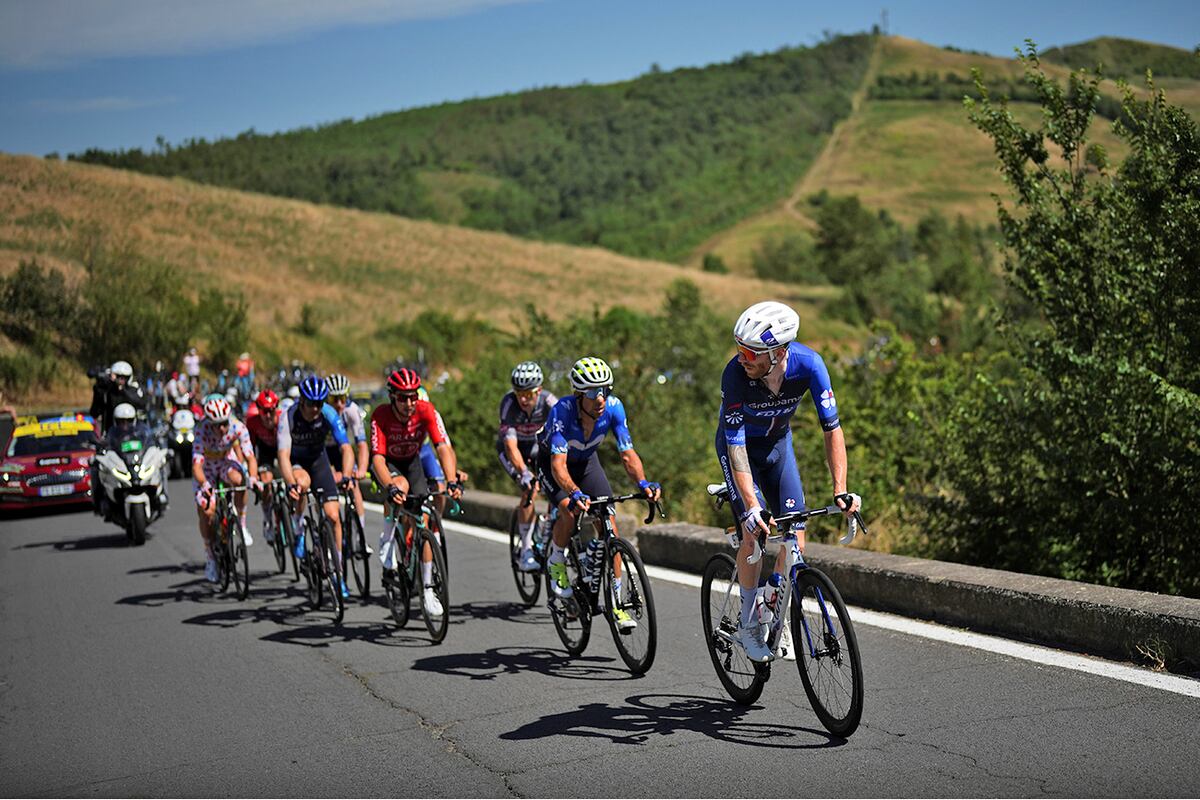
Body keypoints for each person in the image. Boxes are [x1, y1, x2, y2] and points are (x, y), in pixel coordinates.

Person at [716, 300, 861, 663]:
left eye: (750, 352)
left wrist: (840, 488)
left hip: (779, 448)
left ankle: (774, 598)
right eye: (739, 349)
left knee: (796, 534)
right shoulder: (735, 375)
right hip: (741, 453)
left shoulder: (810, 365)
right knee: (754, 532)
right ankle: (749, 622)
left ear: (779, 352)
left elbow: (832, 429)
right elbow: (735, 448)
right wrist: (752, 507)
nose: (742, 358)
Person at [536, 357, 660, 632]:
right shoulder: (562, 412)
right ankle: (556, 561)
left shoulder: (614, 408)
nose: (600, 398)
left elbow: (627, 454)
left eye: (604, 390)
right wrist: (574, 492)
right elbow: (558, 466)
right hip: (553, 464)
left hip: (587, 463)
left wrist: (643, 483)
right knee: (569, 510)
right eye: (593, 392)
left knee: (610, 527)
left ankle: (616, 602)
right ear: (579, 395)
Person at [370, 368, 463, 618]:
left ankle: (428, 589)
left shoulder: (426, 410)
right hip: (388, 464)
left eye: (413, 396)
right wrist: (389, 485)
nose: (409, 403)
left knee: (424, 520)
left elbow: (443, 447)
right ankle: (388, 537)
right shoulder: (381, 415)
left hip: (412, 462)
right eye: (403, 398)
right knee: (400, 488)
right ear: (393, 397)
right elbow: (377, 459)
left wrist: (452, 480)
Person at [277, 376, 355, 599]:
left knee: (334, 516)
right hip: (296, 461)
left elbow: (346, 448)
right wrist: (290, 483)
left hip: (318, 460)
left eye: (319, 403)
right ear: (302, 401)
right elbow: (283, 455)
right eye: (311, 404)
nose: (315, 409)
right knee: (302, 484)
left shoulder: (328, 413)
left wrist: (346, 475)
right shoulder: (288, 416)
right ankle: (299, 527)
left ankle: (338, 573)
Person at [497, 360, 557, 571]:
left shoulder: (549, 401)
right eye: (519, 393)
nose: (523, 399)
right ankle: (525, 551)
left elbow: (567, 429)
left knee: (556, 485)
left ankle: (548, 528)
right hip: (513, 451)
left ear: (538, 390)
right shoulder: (508, 403)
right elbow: (511, 446)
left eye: (528, 394)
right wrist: (524, 472)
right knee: (529, 488)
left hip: (538, 448)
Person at [192, 397, 259, 583]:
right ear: (209, 423)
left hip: (225, 462)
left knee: (240, 480)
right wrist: (204, 484)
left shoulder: (238, 427)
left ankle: (241, 524)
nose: (222, 429)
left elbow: (250, 457)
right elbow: (196, 466)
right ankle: (210, 557)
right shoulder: (201, 430)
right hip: (206, 469)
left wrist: (253, 478)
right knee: (207, 511)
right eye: (217, 425)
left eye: (224, 423)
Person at [325, 374, 370, 552]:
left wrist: (362, 470)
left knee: (354, 486)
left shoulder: (352, 411)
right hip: (324, 451)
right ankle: (327, 532)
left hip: (342, 451)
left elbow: (362, 444)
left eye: (343, 398)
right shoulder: (321, 412)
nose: (339, 404)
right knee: (326, 487)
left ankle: (360, 537)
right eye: (334, 399)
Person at [245, 389, 281, 543]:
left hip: (282, 449)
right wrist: (252, 471)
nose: (268, 415)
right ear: (258, 410)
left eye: (271, 411)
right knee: (266, 482)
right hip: (265, 452)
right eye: (264, 411)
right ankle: (267, 518)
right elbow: (250, 449)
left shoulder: (283, 418)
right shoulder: (252, 422)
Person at [89, 360, 146, 435]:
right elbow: (94, 413)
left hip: (132, 434)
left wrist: (122, 389)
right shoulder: (108, 393)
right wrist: (98, 391)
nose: (120, 380)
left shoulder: (133, 391)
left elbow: (140, 404)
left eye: (123, 378)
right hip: (111, 435)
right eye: (118, 377)